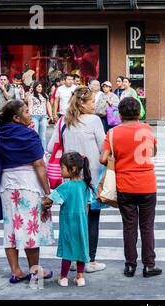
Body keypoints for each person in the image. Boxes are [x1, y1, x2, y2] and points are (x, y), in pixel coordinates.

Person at [0, 100, 54, 283]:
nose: (30, 114)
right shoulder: (29, 134)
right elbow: (39, 164)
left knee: (11, 228)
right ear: (16, 118)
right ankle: (34, 271)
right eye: (26, 112)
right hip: (28, 186)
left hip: (7, 186)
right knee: (30, 229)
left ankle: (16, 271)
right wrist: (48, 191)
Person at [99, 97, 161, 278]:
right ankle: (149, 265)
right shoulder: (147, 129)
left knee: (129, 226)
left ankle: (130, 265)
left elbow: (103, 159)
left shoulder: (112, 133)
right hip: (147, 184)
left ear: (120, 114)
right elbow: (153, 152)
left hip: (125, 185)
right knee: (147, 226)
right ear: (139, 113)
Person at [47, 86, 106, 273]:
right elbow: (104, 148)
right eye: (92, 101)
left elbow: (50, 148)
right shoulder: (94, 121)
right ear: (82, 103)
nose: (95, 104)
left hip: (69, 182)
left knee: (73, 219)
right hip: (91, 179)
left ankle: (73, 260)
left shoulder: (64, 121)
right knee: (91, 219)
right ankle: (89, 261)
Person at [42, 152, 92, 287]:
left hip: (68, 223)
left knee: (68, 250)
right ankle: (80, 276)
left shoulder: (64, 187)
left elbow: (50, 200)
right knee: (82, 247)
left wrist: (45, 201)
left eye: (62, 167)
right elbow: (87, 206)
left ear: (73, 169)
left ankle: (63, 277)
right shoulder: (85, 186)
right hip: (82, 222)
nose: (60, 170)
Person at [28, 82, 53, 150]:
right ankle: (36, 150)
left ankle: (44, 150)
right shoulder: (32, 96)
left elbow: (48, 105)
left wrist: (51, 115)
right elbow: (30, 107)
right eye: (38, 87)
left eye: (41, 87)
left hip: (43, 117)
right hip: (34, 116)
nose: (40, 88)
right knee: (35, 135)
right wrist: (30, 117)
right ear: (35, 88)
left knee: (43, 135)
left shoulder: (45, 95)